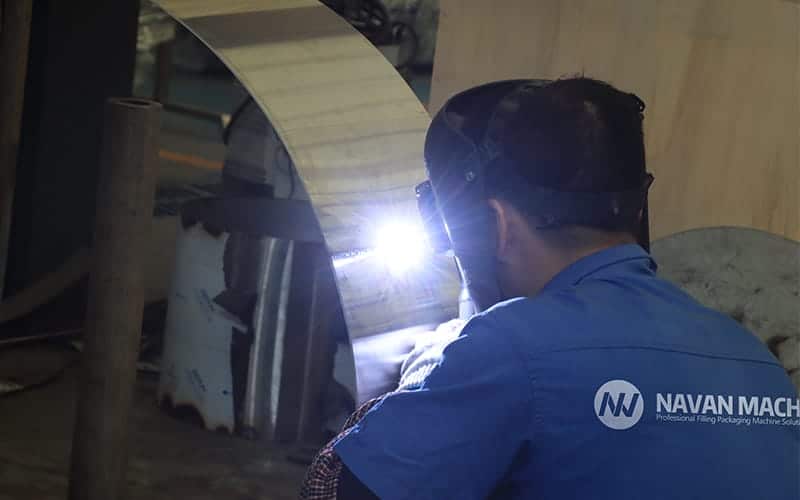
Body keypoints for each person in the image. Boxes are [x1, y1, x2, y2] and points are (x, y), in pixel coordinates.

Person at [301, 77, 800, 499]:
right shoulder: (754, 360)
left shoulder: (509, 346)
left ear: (498, 224)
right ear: (634, 208)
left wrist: (422, 380)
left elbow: (331, 491)